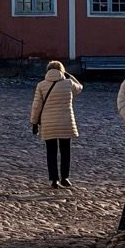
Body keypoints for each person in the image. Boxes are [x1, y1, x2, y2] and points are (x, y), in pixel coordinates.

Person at [30, 59, 84, 188]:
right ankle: (65, 177)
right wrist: (70, 76)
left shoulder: (41, 85)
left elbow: (36, 106)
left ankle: (54, 180)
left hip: (48, 122)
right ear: (62, 71)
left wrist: (34, 122)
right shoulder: (68, 83)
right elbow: (80, 88)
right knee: (65, 151)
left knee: (51, 152)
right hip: (65, 122)